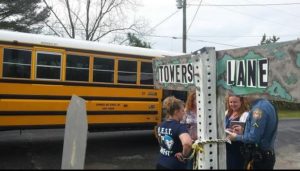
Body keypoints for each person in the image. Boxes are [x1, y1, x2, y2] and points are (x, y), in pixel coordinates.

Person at [227, 95, 278, 170]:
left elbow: (253, 138)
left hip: (259, 158)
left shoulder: (258, 109)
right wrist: (243, 131)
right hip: (266, 155)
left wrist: (236, 137)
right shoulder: (267, 104)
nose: (243, 97)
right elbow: (261, 131)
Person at [156, 96, 193, 170]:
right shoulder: (179, 127)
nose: (184, 113)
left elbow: (160, 139)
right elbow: (187, 143)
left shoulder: (160, 125)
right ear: (176, 112)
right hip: (175, 165)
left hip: (160, 163)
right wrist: (184, 155)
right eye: (182, 111)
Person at [224, 93, 249, 169]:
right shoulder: (227, 113)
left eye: (235, 102)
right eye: (230, 102)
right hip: (227, 147)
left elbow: (247, 132)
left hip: (238, 148)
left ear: (241, 102)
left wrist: (241, 131)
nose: (232, 104)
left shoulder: (245, 114)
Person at [181, 91, 197, 169]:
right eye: (195, 99)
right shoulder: (187, 111)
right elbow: (181, 124)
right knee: (189, 163)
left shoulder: (204, 110)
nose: (197, 101)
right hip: (189, 140)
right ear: (191, 100)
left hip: (200, 141)